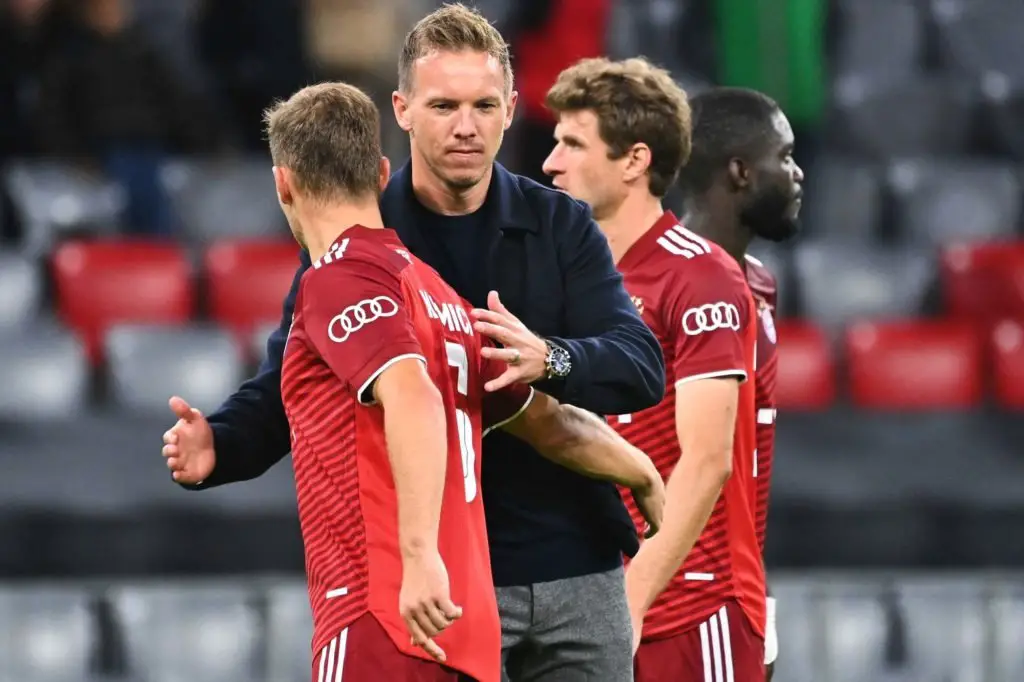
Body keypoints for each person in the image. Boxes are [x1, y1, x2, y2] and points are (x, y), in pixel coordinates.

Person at [161, 5, 665, 680]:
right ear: (402, 110)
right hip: (454, 583)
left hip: (573, 564)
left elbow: (639, 366)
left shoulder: (558, 224)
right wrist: (221, 443)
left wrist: (552, 358)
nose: (466, 126)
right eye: (444, 105)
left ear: (512, 110)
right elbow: (290, 383)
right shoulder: (363, 243)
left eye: (484, 105)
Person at [542, 61, 797, 681]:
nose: (550, 163)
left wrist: (625, 606)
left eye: (573, 144)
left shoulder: (701, 277)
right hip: (588, 606)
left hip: (691, 610)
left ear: (634, 161)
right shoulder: (567, 278)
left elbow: (707, 461)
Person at [674, 86, 805, 681]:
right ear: (740, 172)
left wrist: (756, 601)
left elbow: (743, 464)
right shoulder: (657, 283)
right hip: (679, 602)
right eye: (786, 156)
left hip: (736, 590)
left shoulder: (759, 286)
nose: (797, 174)